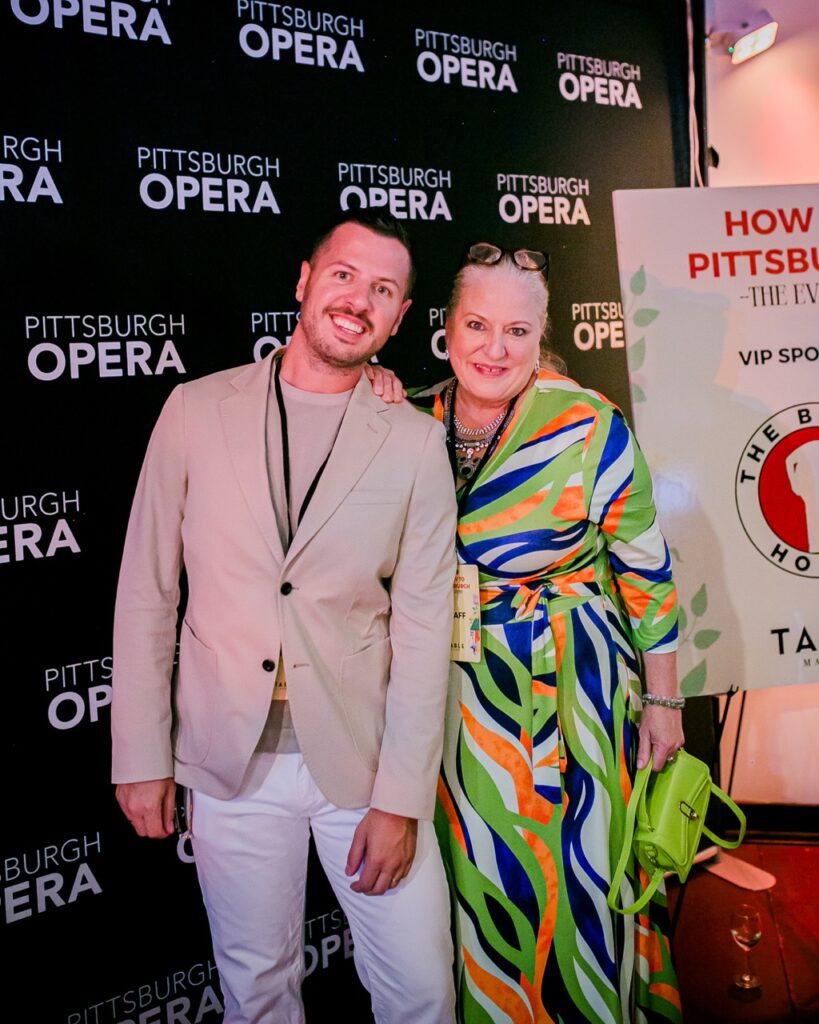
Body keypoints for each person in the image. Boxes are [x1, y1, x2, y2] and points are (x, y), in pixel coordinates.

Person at [111, 212, 458, 1024]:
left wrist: (401, 799)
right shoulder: (194, 409)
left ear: (400, 317)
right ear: (304, 280)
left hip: (364, 765)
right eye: (343, 275)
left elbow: (421, 631)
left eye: (382, 290)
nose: (357, 300)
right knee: (256, 991)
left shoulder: (414, 442)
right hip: (227, 765)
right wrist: (140, 754)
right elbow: (146, 591)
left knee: (421, 990)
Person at [375, 242, 683, 1023]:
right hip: (455, 702)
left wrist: (663, 702)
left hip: (572, 696)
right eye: (476, 325)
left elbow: (646, 572)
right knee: (483, 885)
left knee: (578, 880)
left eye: (516, 331)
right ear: (446, 327)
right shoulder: (409, 417)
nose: (494, 348)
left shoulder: (585, 423)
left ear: (540, 334)